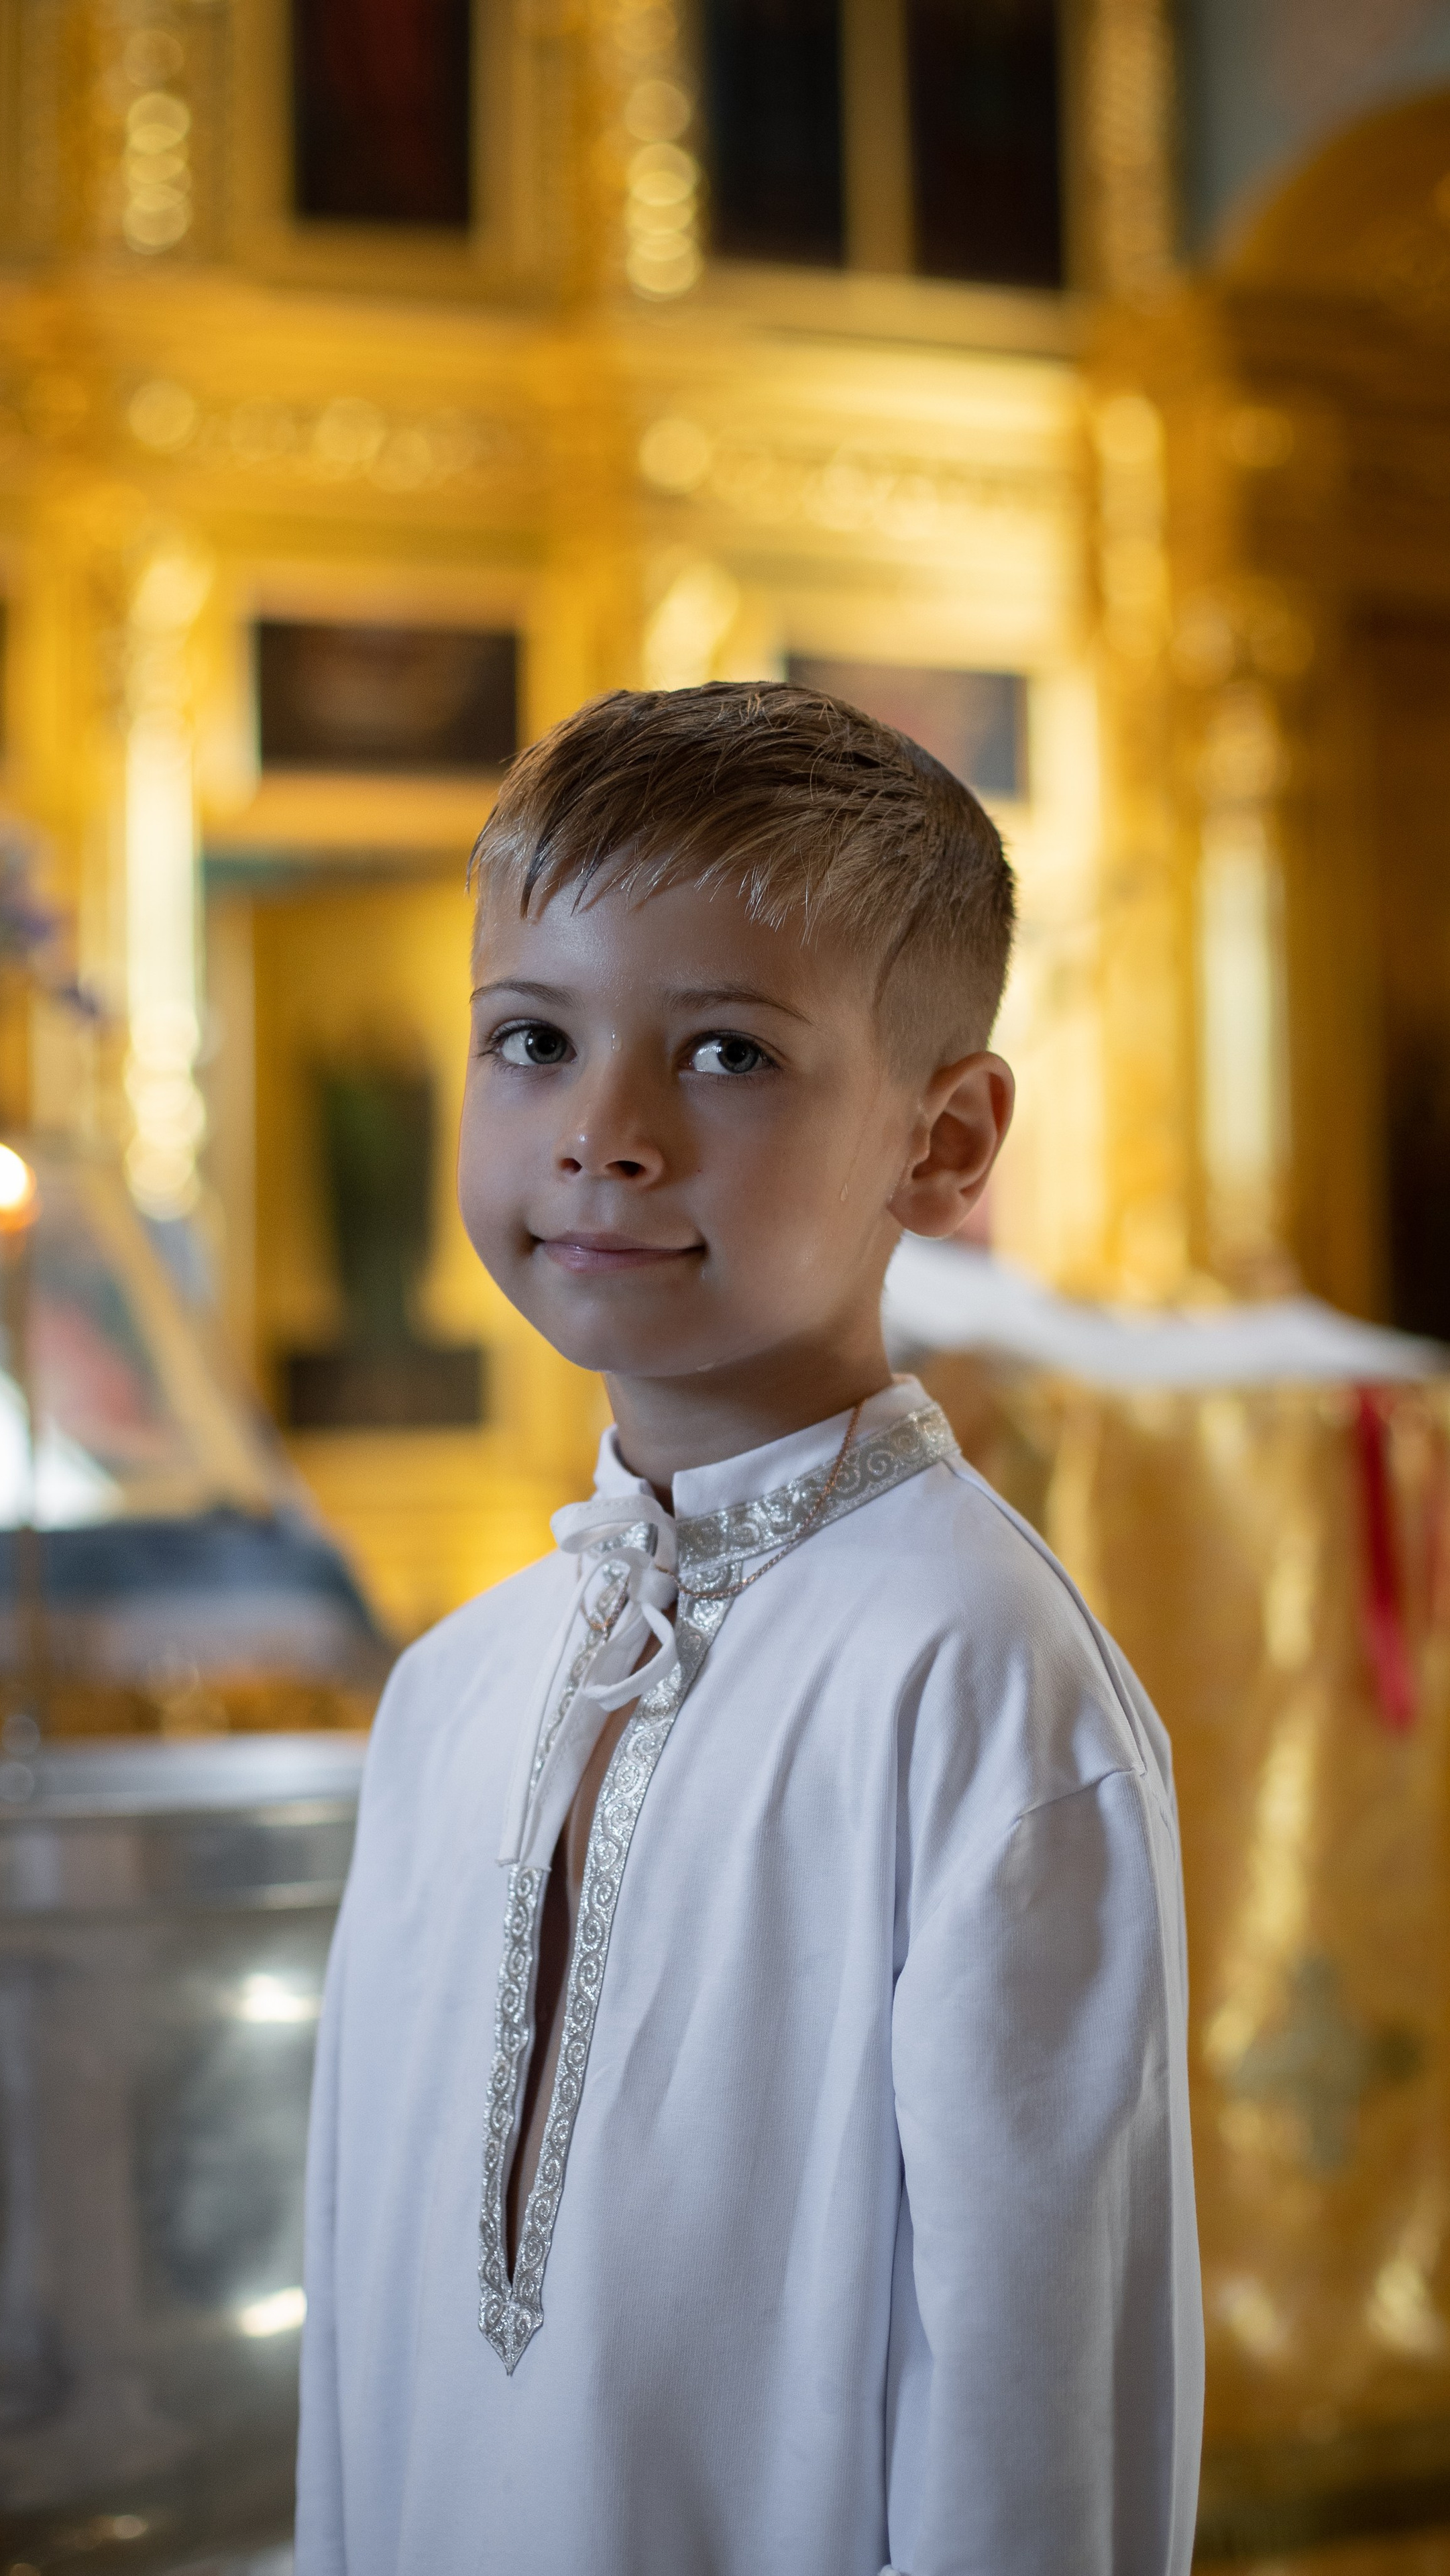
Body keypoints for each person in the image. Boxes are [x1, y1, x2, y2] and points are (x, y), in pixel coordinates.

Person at [298, 682, 1201, 2576]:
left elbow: (1035, 2396)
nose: (603, 1134)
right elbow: (364, 2326)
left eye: (724, 1056)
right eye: (532, 1039)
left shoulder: (976, 1683)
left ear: (944, 1145)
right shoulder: (452, 1687)